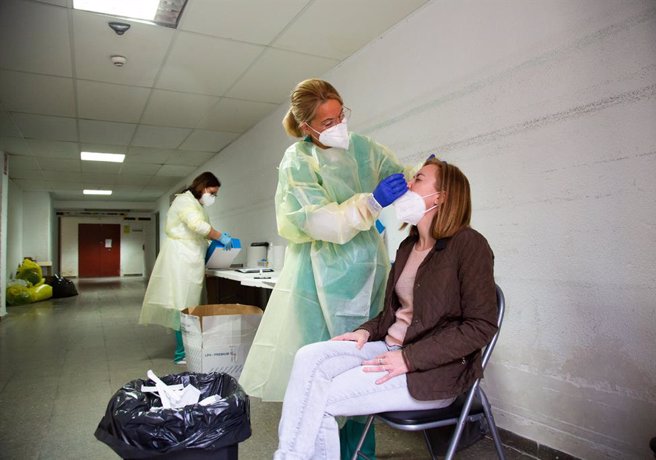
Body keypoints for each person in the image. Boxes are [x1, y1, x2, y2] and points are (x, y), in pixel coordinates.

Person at [272, 158, 498, 459]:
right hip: (387, 349)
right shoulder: (408, 247)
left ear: (442, 196)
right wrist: (365, 331)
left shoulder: (469, 245)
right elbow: (392, 315)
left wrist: (409, 358)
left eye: (418, 178)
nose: (407, 184)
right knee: (308, 357)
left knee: (319, 400)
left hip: (431, 371)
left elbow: (480, 326)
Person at [238, 78, 411, 457]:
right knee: (323, 373)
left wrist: (419, 181)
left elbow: (399, 175)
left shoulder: (364, 149)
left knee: (361, 367)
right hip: (317, 281)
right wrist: (369, 204)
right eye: (327, 121)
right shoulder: (297, 162)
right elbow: (314, 220)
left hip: (368, 272)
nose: (339, 126)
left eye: (341, 115)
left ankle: (361, 453)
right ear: (306, 127)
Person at [139, 171, 233, 364]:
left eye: (215, 194)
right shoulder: (184, 201)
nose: (213, 197)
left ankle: (191, 345)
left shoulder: (197, 204)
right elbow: (197, 226)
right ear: (202, 187)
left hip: (192, 258)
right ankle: (181, 353)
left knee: (191, 303)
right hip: (181, 259)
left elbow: (201, 230)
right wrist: (220, 236)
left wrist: (216, 240)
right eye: (212, 192)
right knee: (182, 303)